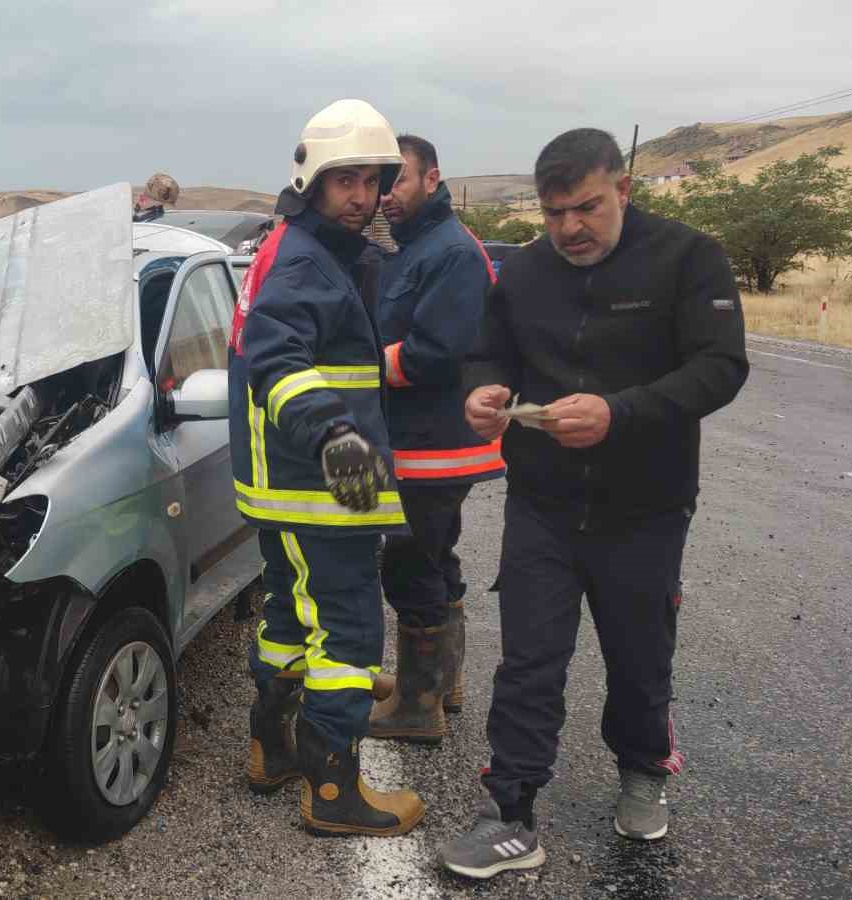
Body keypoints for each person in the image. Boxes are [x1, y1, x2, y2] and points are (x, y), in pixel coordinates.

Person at [439, 128, 748, 879]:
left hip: (646, 505)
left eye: (587, 207)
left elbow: (721, 366)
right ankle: (510, 813)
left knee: (640, 656)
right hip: (541, 502)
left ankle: (643, 770)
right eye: (553, 213)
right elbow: (490, 352)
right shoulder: (527, 272)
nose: (569, 228)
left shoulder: (688, 256)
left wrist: (621, 412)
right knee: (529, 660)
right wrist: (481, 390)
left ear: (625, 190)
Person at [229, 98, 423, 838]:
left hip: (290, 486)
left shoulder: (299, 248)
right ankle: (334, 791)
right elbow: (277, 363)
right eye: (345, 180)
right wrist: (337, 436)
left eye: (372, 181)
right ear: (312, 179)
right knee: (344, 636)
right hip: (320, 484)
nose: (361, 197)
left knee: (288, 619)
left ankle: (270, 748)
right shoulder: (306, 259)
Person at [364, 135, 504, 746]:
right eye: (379, 183)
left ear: (432, 179)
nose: (384, 196)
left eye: (396, 181)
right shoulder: (421, 244)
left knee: (409, 565)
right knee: (435, 558)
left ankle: (417, 708)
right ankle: (441, 682)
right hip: (429, 444)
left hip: (431, 446)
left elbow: (436, 352)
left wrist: (364, 368)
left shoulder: (449, 253)